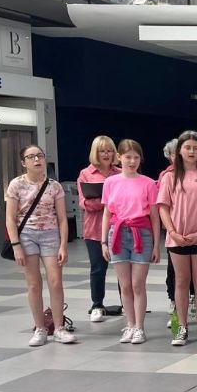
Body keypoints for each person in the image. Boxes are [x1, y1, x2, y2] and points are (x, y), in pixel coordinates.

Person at [7, 144, 73, 347]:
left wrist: (63, 245)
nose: (37, 160)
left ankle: (59, 327)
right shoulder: (16, 185)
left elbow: (62, 219)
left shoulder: (54, 186)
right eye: (31, 157)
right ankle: (40, 328)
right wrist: (16, 245)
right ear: (23, 162)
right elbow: (10, 219)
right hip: (26, 236)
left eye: (40, 156)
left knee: (55, 281)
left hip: (50, 235)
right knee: (34, 284)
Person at [158, 130, 197, 347]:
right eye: (187, 147)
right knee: (181, 281)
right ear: (179, 151)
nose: (191, 151)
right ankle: (181, 327)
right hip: (177, 238)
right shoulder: (169, 176)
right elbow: (163, 207)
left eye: (195, 147)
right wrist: (172, 232)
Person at [101, 139, 161, 345]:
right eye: (128, 157)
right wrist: (103, 241)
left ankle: (140, 327)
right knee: (124, 285)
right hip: (117, 233)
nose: (132, 161)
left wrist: (155, 244)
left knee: (138, 284)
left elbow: (154, 215)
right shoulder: (110, 182)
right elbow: (107, 213)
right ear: (119, 157)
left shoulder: (148, 183)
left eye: (136, 157)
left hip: (141, 233)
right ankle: (130, 324)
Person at [78, 135, 120, 322]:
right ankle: (97, 304)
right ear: (95, 153)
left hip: (119, 227)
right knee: (97, 268)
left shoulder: (120, 173)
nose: (106, 154)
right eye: (102, 151)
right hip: (94, 229)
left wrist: (103, 202)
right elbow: (84, 203)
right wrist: (107, 203)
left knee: (123, 268)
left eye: (110, 150)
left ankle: (128, 303)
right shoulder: (86, 174)